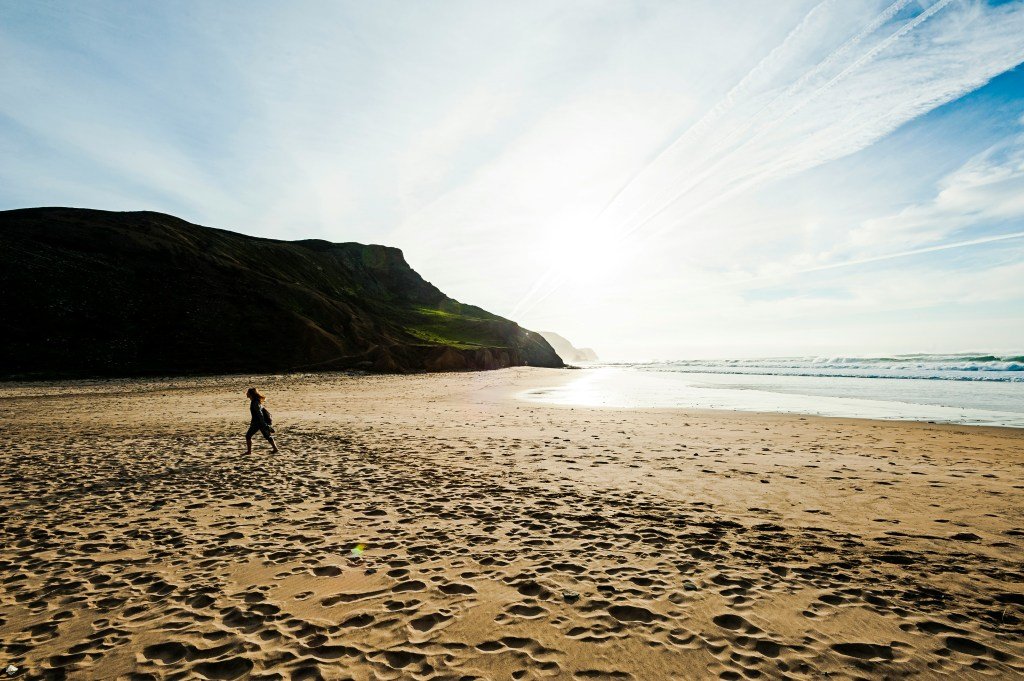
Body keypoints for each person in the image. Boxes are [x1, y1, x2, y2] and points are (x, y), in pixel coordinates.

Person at [245, 387, 279, 454]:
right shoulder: (255, 401)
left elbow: (259, 413)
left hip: (258, 422)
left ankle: (249, 451)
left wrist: (263, 424)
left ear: (251, 394)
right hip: (259, 422)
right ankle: (275, 449)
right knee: (267, 436)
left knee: (248, 436)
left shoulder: (255, 402)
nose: (246, 393)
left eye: (247, 392)